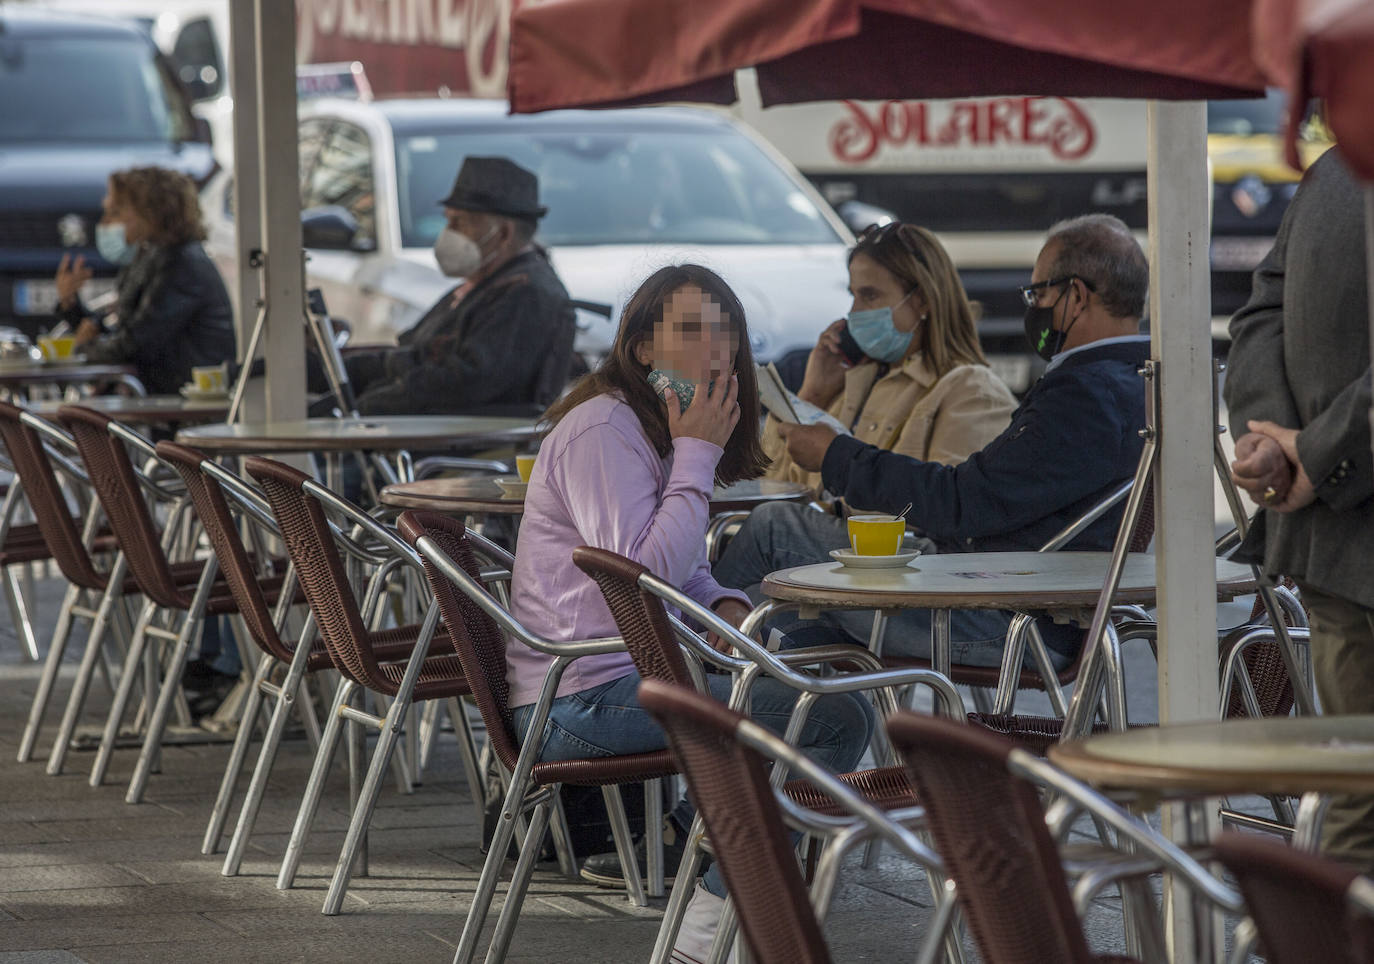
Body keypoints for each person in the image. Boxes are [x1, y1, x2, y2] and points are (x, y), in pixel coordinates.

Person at [507, 264, 874, 958]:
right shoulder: (604, 430)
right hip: (578, 699)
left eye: (726, 332)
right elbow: (640, 579)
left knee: (812, 673)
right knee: (829, 718)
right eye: (692, 330)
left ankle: (702, 847)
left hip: (632, 676)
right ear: (643, 347)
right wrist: (698, 454)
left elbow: (685, 575)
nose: (716, 350)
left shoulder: (642, 425)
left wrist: (729, 609)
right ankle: (707, 921)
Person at [724, 213, 1151, 669]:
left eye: (1039, 293)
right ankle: (793, 710)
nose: (1034, 307)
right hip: (1006, 595)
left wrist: (838, 457)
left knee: (772, 531)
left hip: (1004, 615)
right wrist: (813, 400)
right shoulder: (1135, 382)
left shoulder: (1085, 394)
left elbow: (962, 504)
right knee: (789, 616)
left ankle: (677, 675)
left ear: (1076, 296)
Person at [1225, 147, 1374, 871]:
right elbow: (1263, 312)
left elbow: (1257, 313)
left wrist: (1292, 449)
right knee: (1354, 805)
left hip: (1333, 538)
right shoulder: (1334, 169)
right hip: (1337, 544)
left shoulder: (1333, 169)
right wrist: (1287, 446)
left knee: (1355, 806)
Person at [717, 220, 1016, 576]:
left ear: (922, 300)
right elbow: (767, 486)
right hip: (833, 572)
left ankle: (682, 628)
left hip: (910, 574)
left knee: (773, 528)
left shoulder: (971, 390)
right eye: (853, 295)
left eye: (870, 296)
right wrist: (811, 394)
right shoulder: (854, 380)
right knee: (761, 600)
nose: (855, 312)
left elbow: (945, 514)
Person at [319, 156, 575, 415]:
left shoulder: (527, 294)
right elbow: (416, 354)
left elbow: (464, 383)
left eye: (459, 222)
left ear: (503, 234)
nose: (448, 232)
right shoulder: (484, 286)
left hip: (458, 440)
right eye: (448, 220)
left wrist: (363, 407)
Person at [54, 166, 236, 396]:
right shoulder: (147, 257)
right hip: (150, 392)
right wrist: (71, 304)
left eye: (116, 212)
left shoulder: (181, 265)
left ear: (151, 214)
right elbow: (120, 333)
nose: (106, 222)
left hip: (184, 401)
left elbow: (136, 344)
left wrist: (84, 348)